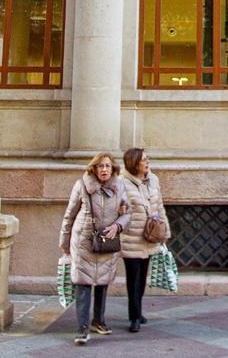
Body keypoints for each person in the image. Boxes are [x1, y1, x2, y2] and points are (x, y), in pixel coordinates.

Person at [60, 152, 130, 346]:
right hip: (83, 241)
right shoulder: (81, 186)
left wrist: (117, 226)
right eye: (100, 166)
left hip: (107, 241)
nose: (104, 170)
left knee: (102, 282)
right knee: (83, 284)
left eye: (107, 166)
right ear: (94, 169)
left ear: (112, 169)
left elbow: (128, 212)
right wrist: (64, 243)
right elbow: (69, 216)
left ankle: (98, 320)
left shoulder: (119, 186)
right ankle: (82, 327)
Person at [119, 146, 168, 333]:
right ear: (134, 163)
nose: (148, 162)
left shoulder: (153, 180)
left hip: (150, 236)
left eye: (148, 159)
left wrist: (165, 232)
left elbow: (159, 206)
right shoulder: (122, 183)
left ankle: (138, 312)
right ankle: (134, 317)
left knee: (142, 279)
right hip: (131, 237)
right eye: (144, 160)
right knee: (133, 278)